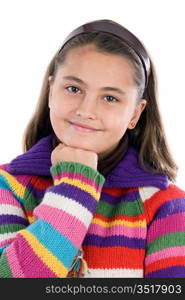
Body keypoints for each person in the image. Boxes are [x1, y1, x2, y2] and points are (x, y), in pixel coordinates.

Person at [0, 19, 185, 278]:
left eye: (110, 98)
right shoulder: (7, 186)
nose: (86, 110)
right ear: (51, 90)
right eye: (74, 88)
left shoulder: (166, 205)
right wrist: (76, 188)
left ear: (135, 113)